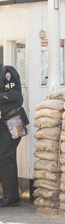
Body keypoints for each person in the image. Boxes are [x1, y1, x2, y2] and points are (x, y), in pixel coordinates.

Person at [0, 64, 24, 207]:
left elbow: (15, 95)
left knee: (3, 157)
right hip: (3, 123)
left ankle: (11, 196)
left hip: (14, 120)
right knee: (9, 157)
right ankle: (12, 195)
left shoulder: (7, 72)